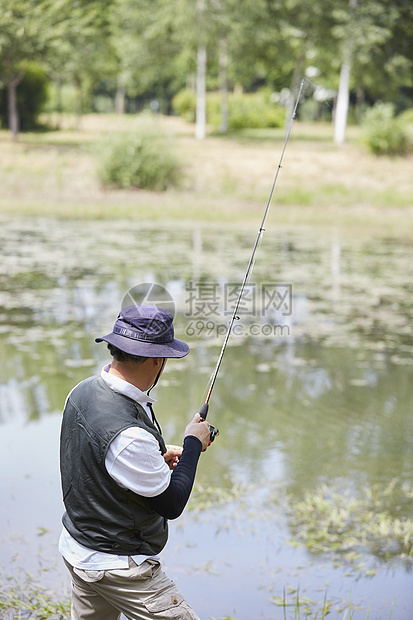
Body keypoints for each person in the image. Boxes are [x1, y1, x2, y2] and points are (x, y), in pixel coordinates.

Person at [59, 304, 212, 620]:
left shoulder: (81, 391)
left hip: (77, 548)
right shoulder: (129, 435)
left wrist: (155, 458)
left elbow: (95, 459)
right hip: (118, 567)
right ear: (158, 359)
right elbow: (171, 504)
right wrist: (193, 444)